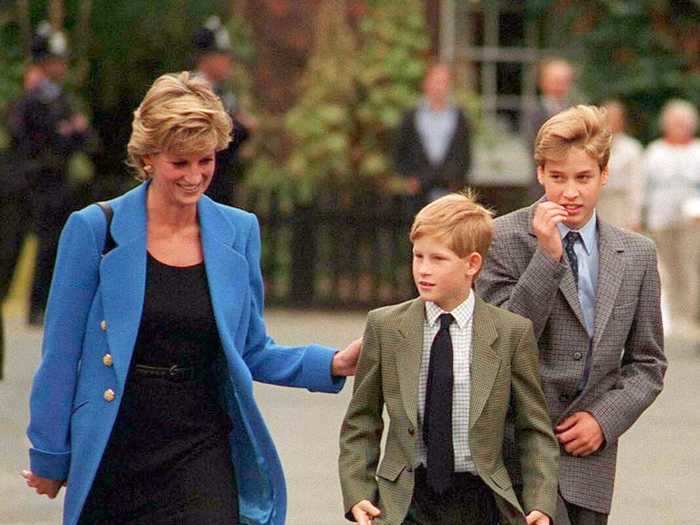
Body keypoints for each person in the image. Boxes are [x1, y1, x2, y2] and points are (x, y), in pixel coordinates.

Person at [23, 72, 361, 525]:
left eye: (205, 160)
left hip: (199, 444)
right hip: (115, 443)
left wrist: (333, 363)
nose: (195, 175)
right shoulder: (94, 230)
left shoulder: (238, 231)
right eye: (179, 163)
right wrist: (49, 455)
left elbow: (250, 349)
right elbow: (61, 354)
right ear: (147, 158)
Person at [479, 105, 667, 525]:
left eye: (583, 178)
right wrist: (547, 258)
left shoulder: (636, 254)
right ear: (541, 173)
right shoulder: (503, 238)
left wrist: (605, 420)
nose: (570, 193)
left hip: (592, 459)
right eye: (558, 178)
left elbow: (648, 363)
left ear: (604, 175)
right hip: (516, 452)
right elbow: (498, 343)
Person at [339, 193, 559, 525]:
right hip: (408, 499)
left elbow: (533, 429)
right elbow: (362, 420)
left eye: (438, 259)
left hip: (482, 498)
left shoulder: (511, 332)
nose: (423, 270)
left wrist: (540, 502)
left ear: (472, 264)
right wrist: (358, 493)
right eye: (418, 256)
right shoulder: (385, 326)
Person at [11, 21, 95, 326]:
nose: (60, 67)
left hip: (59, 180)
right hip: (36, 180)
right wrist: (66, 133)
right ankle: (34, 304)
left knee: (58, 243)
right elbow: (30, 138)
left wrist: (70, 133)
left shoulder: (59, 97)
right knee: (37, 243)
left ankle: (47, 303)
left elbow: (83, 137)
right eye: (55, 61)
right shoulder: (33, 100)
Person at [641, 99, 700, 329]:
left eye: (684, 123)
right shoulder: (655, 151)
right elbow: (645, 186)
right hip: (660, 220)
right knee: (666, 268)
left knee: (690, 266)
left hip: (692, 221)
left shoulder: (697, 150)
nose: (680, 127)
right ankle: (673, 317)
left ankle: (691, 314)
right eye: (675, 123)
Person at [193, 15, 256, 205]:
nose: (228, 62)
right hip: (201, 186)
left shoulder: (225, 93)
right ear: (206, 58)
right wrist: (242, 127)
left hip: (223, 183)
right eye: (222, 56)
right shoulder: (194, 90)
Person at [394, 63, 472, 213]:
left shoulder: (459, 116)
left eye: (443, 82)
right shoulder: (412, 116)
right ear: (426, 83)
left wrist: (456, 180)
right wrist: (409, 178)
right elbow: (400, 149)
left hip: (448, 188)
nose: (439, 87)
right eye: (436, 81)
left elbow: (465, 152)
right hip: (418, 188)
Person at [525, 58, 576, 197]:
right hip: (543, 186)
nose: (560, 85)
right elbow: (534, 147)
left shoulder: (577, 110)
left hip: (573, 185)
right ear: (543, 82)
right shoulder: (534, 112)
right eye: (556, 81)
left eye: (564, 81)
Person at [596, 100, 644, 230]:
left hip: (621, 205)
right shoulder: (591, 146)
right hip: (597, 203)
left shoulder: (632, 148)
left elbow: (636, 185)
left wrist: (635, 216)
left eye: (615, 118)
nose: (611, 121)